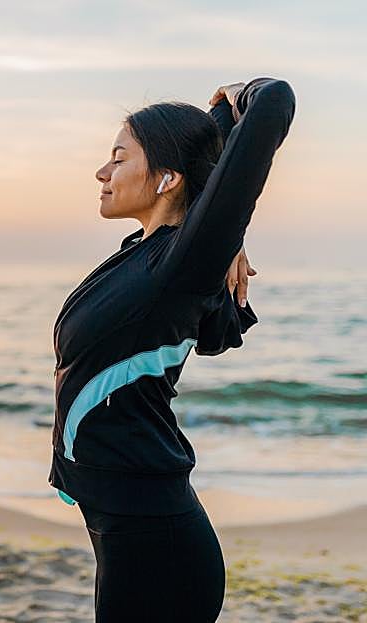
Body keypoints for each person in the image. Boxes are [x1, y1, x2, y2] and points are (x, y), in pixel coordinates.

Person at [48, 76, 296, 621]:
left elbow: (275, 101)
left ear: (166, 179)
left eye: (118, 158)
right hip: (123, 533)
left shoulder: (179, 266)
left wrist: (238, 95)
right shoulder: (145, 255)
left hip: (158, 542)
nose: (101, 172)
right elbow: (205, 191)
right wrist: (221, 231)